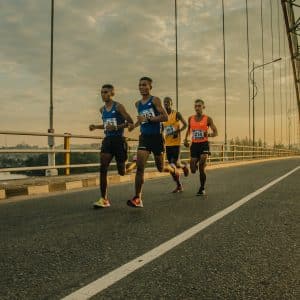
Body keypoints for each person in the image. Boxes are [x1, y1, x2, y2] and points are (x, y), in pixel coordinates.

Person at [127, 76, 178, 207]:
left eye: (144, 85)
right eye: (140, 85)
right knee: (140, 168)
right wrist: (134, 125)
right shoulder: (137, 104)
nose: (142, 87)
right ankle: (137, 198)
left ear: (150, 87)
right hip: (144, 137)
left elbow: (164, 117)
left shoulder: (155, 100)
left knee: (161, 168)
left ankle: (173, 169)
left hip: (156, 138)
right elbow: (141, 119)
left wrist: (148, 119)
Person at [89, 84, 134, 208]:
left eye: (106, 92)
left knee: (122, 172)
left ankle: (133, 163)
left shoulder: (119, 106)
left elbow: (130, 123)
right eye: (102, 92)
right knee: (103, 168)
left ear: (112, 93)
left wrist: (116, 127)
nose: (103, 94)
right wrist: (95, 126)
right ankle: (104, 199)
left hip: (119, 141)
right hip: (108, 141)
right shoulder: (102, 110)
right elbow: (106, 125)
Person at [184, 99, 218, 196]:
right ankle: (197, 163)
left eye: (199, 106)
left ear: (203, 107)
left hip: (204, 144)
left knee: (202, 165)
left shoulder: (208, 119)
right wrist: (186, 139)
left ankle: (202, 188)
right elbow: (188, 130)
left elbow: (216, 132)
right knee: (193, 170)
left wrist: (209, 134)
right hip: (194, 145)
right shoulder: (190, 118)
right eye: (196, 106)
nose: (197, 108)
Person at [162, 96, 189, 193]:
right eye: (165, 102)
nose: (166, 104)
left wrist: (177, 132)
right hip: (167, 144)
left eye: (168, 102)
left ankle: (184, 166)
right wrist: (161, 139)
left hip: (176, 143)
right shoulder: (163, 116)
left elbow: (185, 125)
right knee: (171, 167)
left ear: (171, 104)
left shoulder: (176, 114)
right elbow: (161, 129)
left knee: (175, 164)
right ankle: (179, 186)